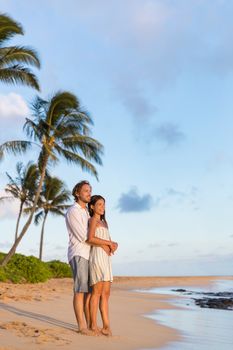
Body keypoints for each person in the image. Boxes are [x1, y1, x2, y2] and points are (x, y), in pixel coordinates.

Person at [65, 181, 113, 335]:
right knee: (80, 290)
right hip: (79, 253)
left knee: (88, 292)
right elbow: (84, 236)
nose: (88, 193)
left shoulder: (87, 213)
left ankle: (91, 325)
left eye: (90, 190)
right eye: (85, 190)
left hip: (90, 255)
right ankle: (81, 326)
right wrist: (106, 244)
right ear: (77, 193)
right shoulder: (73, 211)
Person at [87, 195, 118, 336]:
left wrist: (113, 245)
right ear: (92, 207)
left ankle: (106, 325)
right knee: (96, 293)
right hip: (97, 257)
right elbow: (90, 238)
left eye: (103, 204)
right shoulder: (93, 220)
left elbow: (108, 241)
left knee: (106, 294)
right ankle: (93, 324)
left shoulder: (105, 223)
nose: (102, 207)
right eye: (99, 204)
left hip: (106, 259)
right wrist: (107, 244)